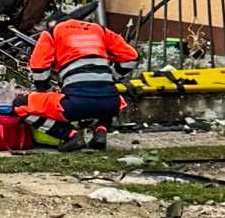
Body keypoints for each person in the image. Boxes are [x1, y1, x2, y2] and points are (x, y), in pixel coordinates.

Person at [14, 15, 138, 152]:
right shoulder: (99, 30)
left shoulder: (52, 33)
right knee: (107, 97)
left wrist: (45, 90)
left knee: (20, 105)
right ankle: (101, 130)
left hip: (75, 104)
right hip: (112, 103)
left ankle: (70, 135)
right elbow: (131, 57)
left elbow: (38, 67)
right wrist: (111, 77)